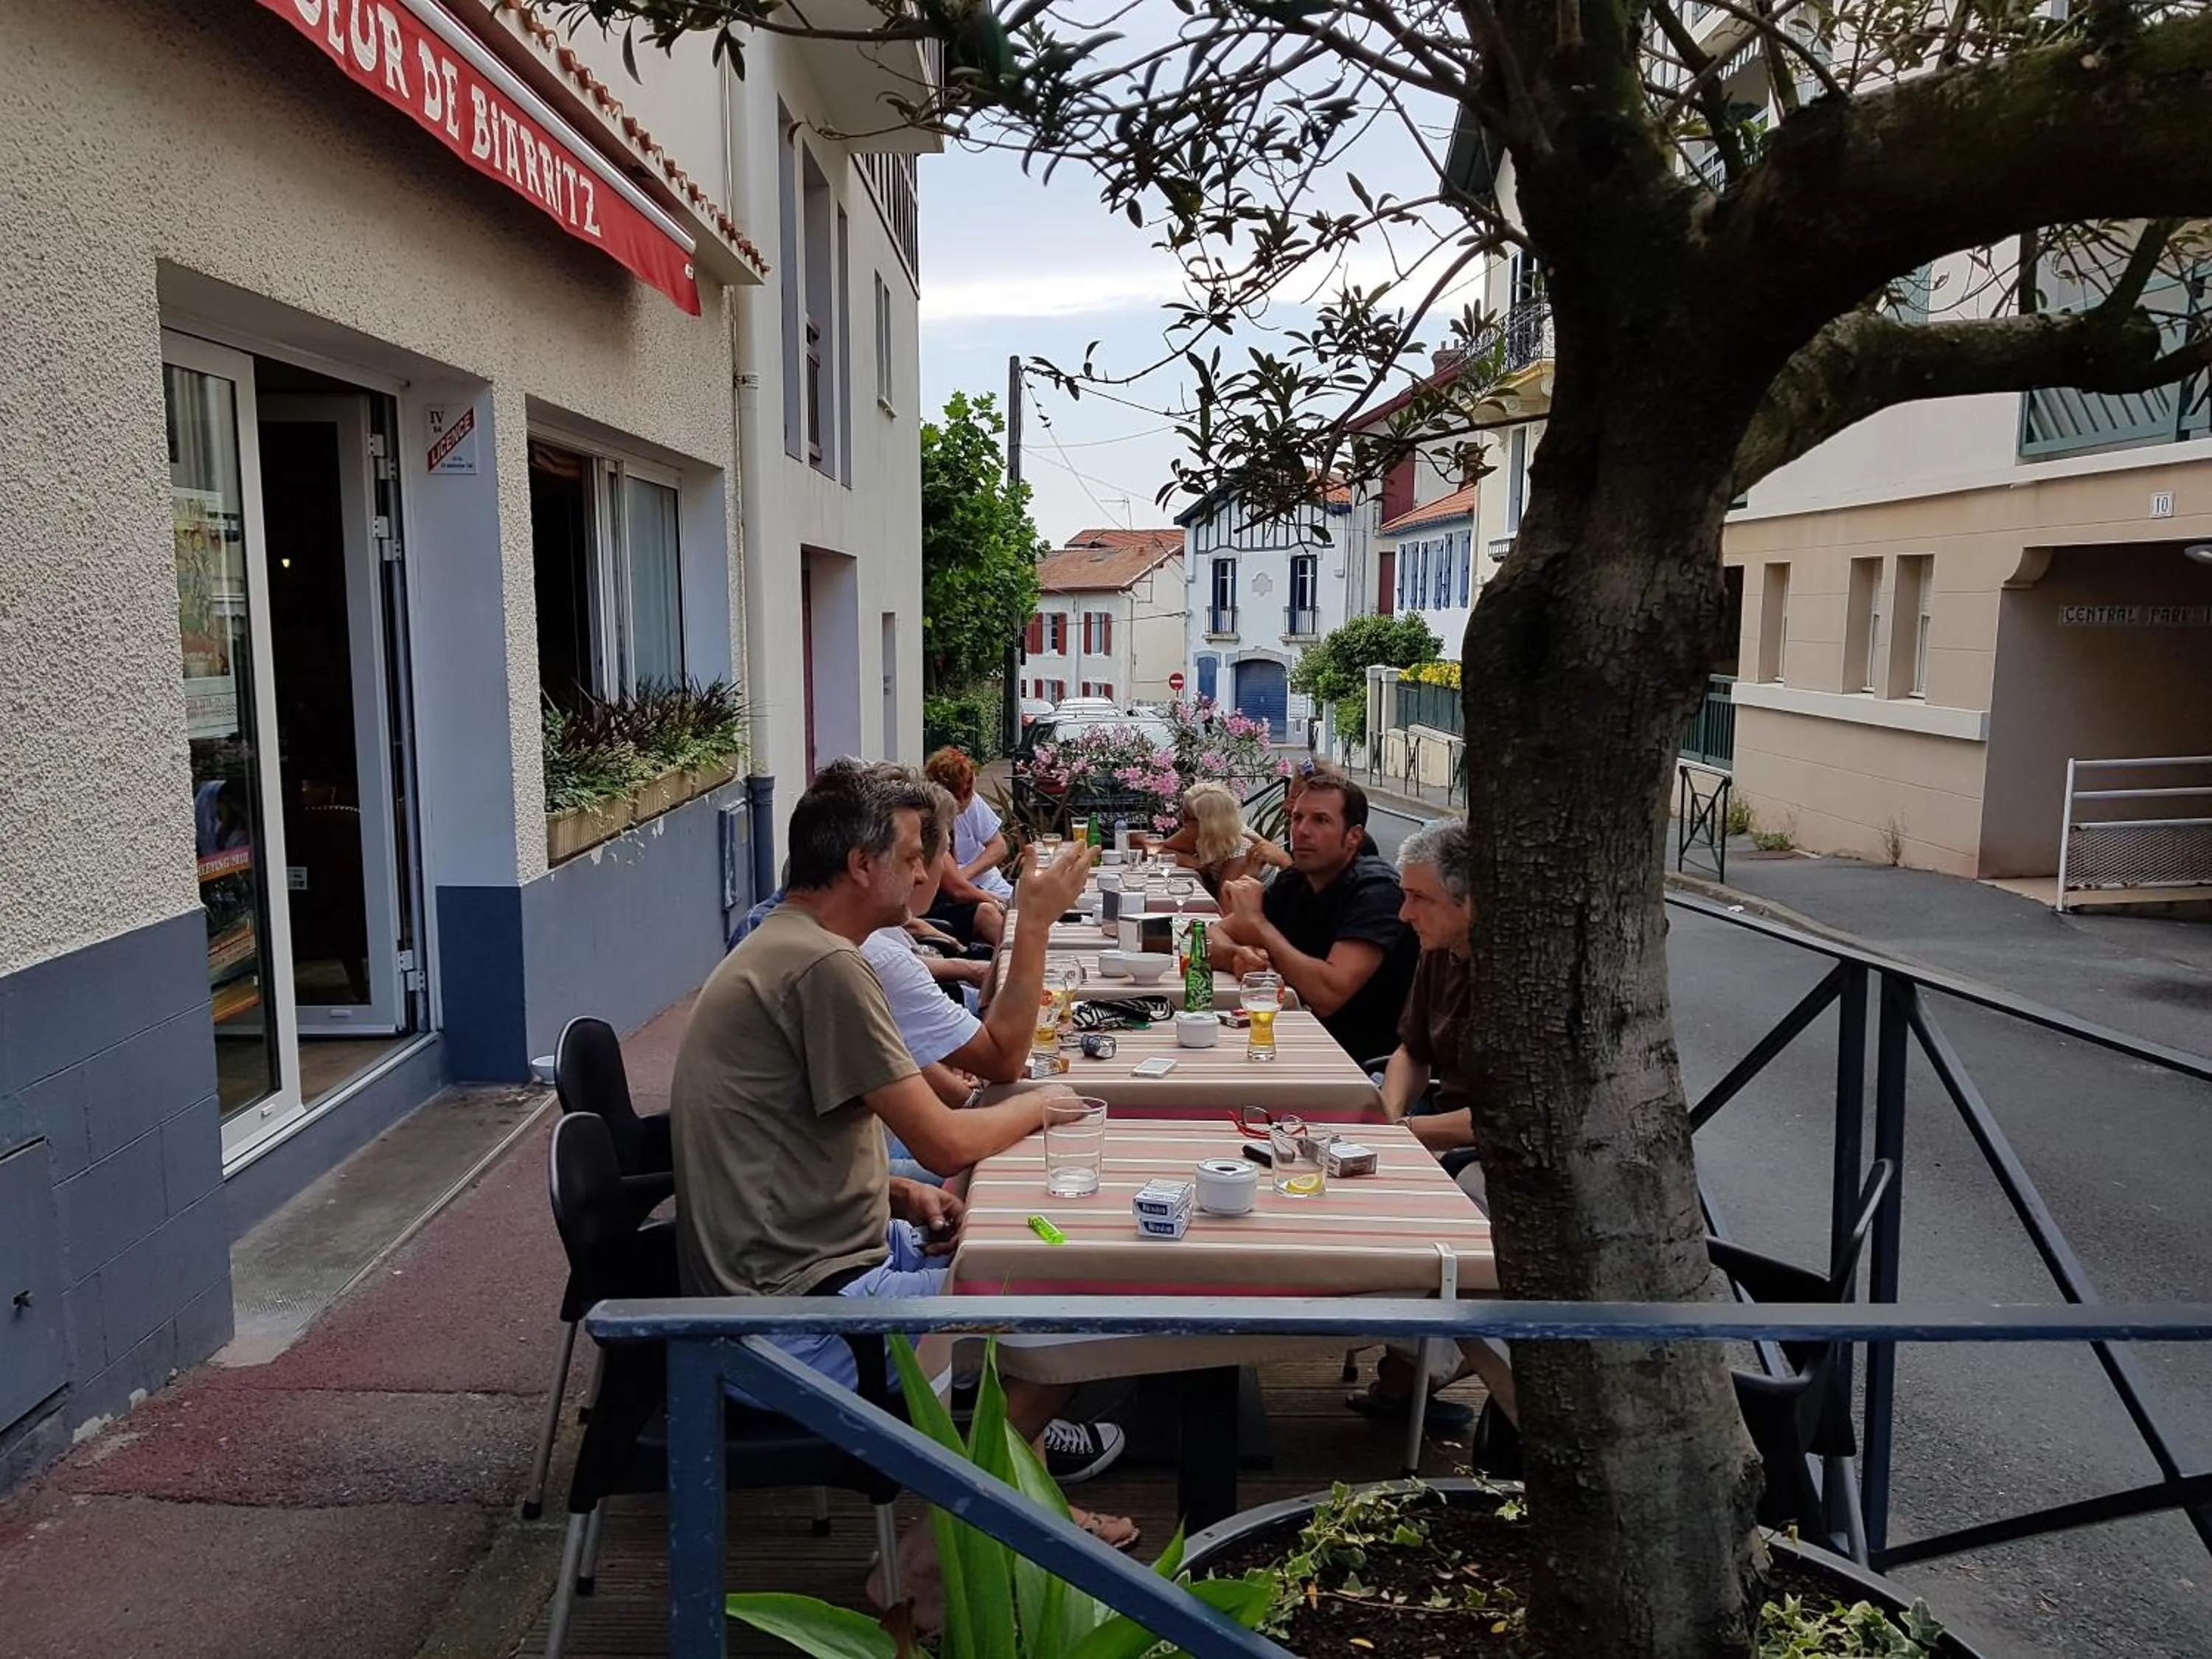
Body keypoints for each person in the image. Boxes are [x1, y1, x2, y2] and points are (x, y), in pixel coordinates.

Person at [668, 761, 1138, 1607]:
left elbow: (777, 1136)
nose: (930, 872)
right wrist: (1042, 1108)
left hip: (786, 1271)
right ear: (860, 864)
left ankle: (1013, 1501)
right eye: (916, 853)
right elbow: (949, 1132)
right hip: (795, 1325)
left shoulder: (790, 947)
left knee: (1025, 1258)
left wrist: (899, 1192)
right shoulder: (825, 969)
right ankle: (932, 1552)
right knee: (1068, 1305)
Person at [1209, 773, 1418, 1063]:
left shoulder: (1377, 891)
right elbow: (1207, 936)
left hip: (1360, 1064)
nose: (1302, 831)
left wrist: (1258, 926)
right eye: (1297, 818)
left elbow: (1329, 995)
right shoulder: (1296, 881)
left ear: (1353, 837)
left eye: (1321, 820)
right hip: (1297, 1040)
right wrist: (1236, 954)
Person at [1378, 818, 1480, 1157]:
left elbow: (1505, 1118)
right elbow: (1411, 1051)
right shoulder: (1437, 949)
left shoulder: (1517, 979)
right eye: (1405, 896)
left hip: (1477, 1155)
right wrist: (1391, 1115)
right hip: (1431, 1123)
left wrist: (1405, 1131)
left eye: (1419, 898)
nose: (1405, 914)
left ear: (1470, 901)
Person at [922, 748, 1012, 946]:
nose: (973, 796)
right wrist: (994, 902)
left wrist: (992, 896)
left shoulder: (962, 808)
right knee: (991, 913)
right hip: (946, 904)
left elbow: (999, 846)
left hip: (980, 889)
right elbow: (957, 889)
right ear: (961, 792)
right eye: (971, 790)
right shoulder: (932, 824)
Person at [1155, 780, 1290, 897]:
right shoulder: (1201, 832)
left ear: (1208, 824)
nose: (1182, 822)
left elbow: (1226, 909)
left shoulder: (1241, 850)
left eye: (1187, 817)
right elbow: (1160, 850)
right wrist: (1193, 862)